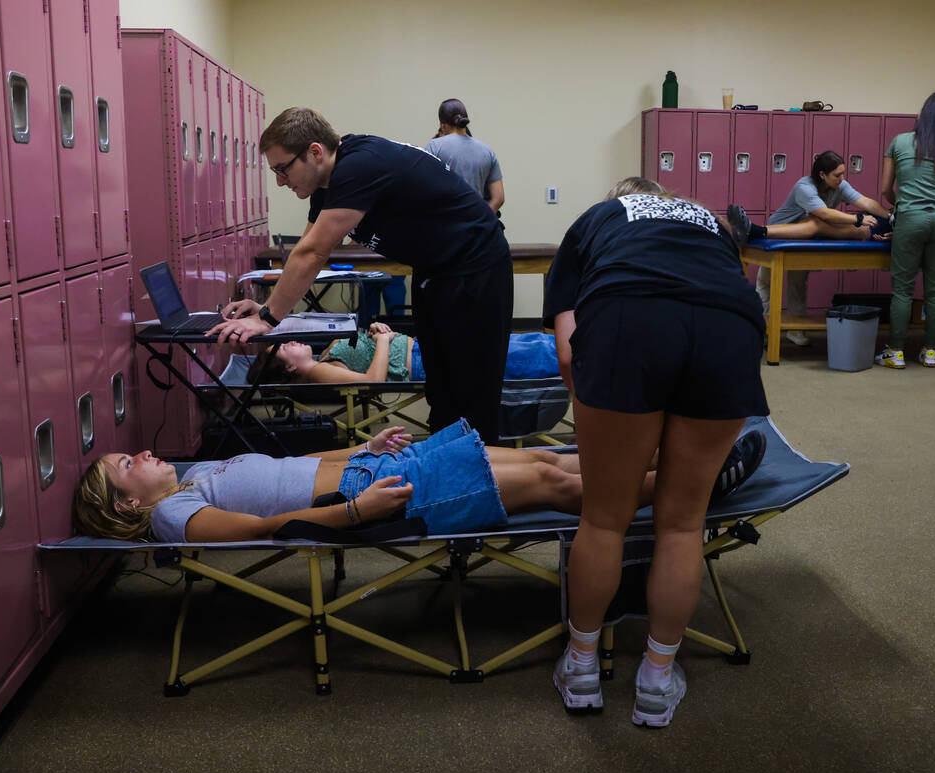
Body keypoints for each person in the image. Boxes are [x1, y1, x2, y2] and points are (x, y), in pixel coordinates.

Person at [543, 176, 770, 728]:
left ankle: (580, 668)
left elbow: (572, 354)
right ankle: (656, 679)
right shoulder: (710, 223)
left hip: (628, 319)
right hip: (730, 327)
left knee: (603, 519)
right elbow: (731, 294)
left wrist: (607, 419)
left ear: (618, 198)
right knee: (682, 525)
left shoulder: (597, 220)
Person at [207, 107, 513, 444]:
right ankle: (446, 479)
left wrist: (267, 317)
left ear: (315, 152)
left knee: (473, 394)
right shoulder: (328, 185)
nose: (280, 181)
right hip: (438, 271)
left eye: (283, 169)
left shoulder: (358, 166)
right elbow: (305, 252)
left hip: (475, 267)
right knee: (441, 391)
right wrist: (264, 303)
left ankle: (487, 483)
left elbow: (314, 254)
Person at [71, 422, 765, 544]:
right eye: (125, 467)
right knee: (552, 484)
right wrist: (361, 510)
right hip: (375, 496)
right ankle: (692, 486)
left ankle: (671, 466)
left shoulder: (191, 480)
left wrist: (361, 447)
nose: (137, 453)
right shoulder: (174, 517)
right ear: (131, 503)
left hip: (376, 469)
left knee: (542, 458)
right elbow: (268, 527)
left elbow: (289, 473)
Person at [727, 151, 893, 346]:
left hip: (809, 236)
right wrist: (857, 219)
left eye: (842, 174)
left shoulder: (840, 185)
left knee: (798, 283)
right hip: (780, 232)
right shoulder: (804, 187)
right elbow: (825, 214)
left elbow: (865, 202)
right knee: (766, 284)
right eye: (837, 175)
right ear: (822, 174)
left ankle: (795, 332)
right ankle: (760, 330)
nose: (842, 179)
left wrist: (891, 216)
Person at [876, 91, 935, 369]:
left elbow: (885, 189)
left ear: (922, 115)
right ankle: (930, 351)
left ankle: (896, 352)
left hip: (910, 218)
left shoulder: (899, 142)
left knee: (902, 288)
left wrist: (901, 204)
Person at [252, 322, 558, 385]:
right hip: (421, 363)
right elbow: (372, 381)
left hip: (421, 349)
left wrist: (375, 333)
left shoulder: (323, 357)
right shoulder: (319, 370)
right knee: (516, 356)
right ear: (290, 369)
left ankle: (572, 348)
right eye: (282, 349)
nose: (289, 342)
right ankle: (580, 357)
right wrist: (383, 341)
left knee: (518, 342)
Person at [424, 99, 505, 215]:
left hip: (447, 224)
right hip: (476, 227)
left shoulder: (434, 146)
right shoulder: (487, 151)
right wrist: (481, 219)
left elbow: (423, 187)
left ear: (442, 125)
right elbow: (499, 198)